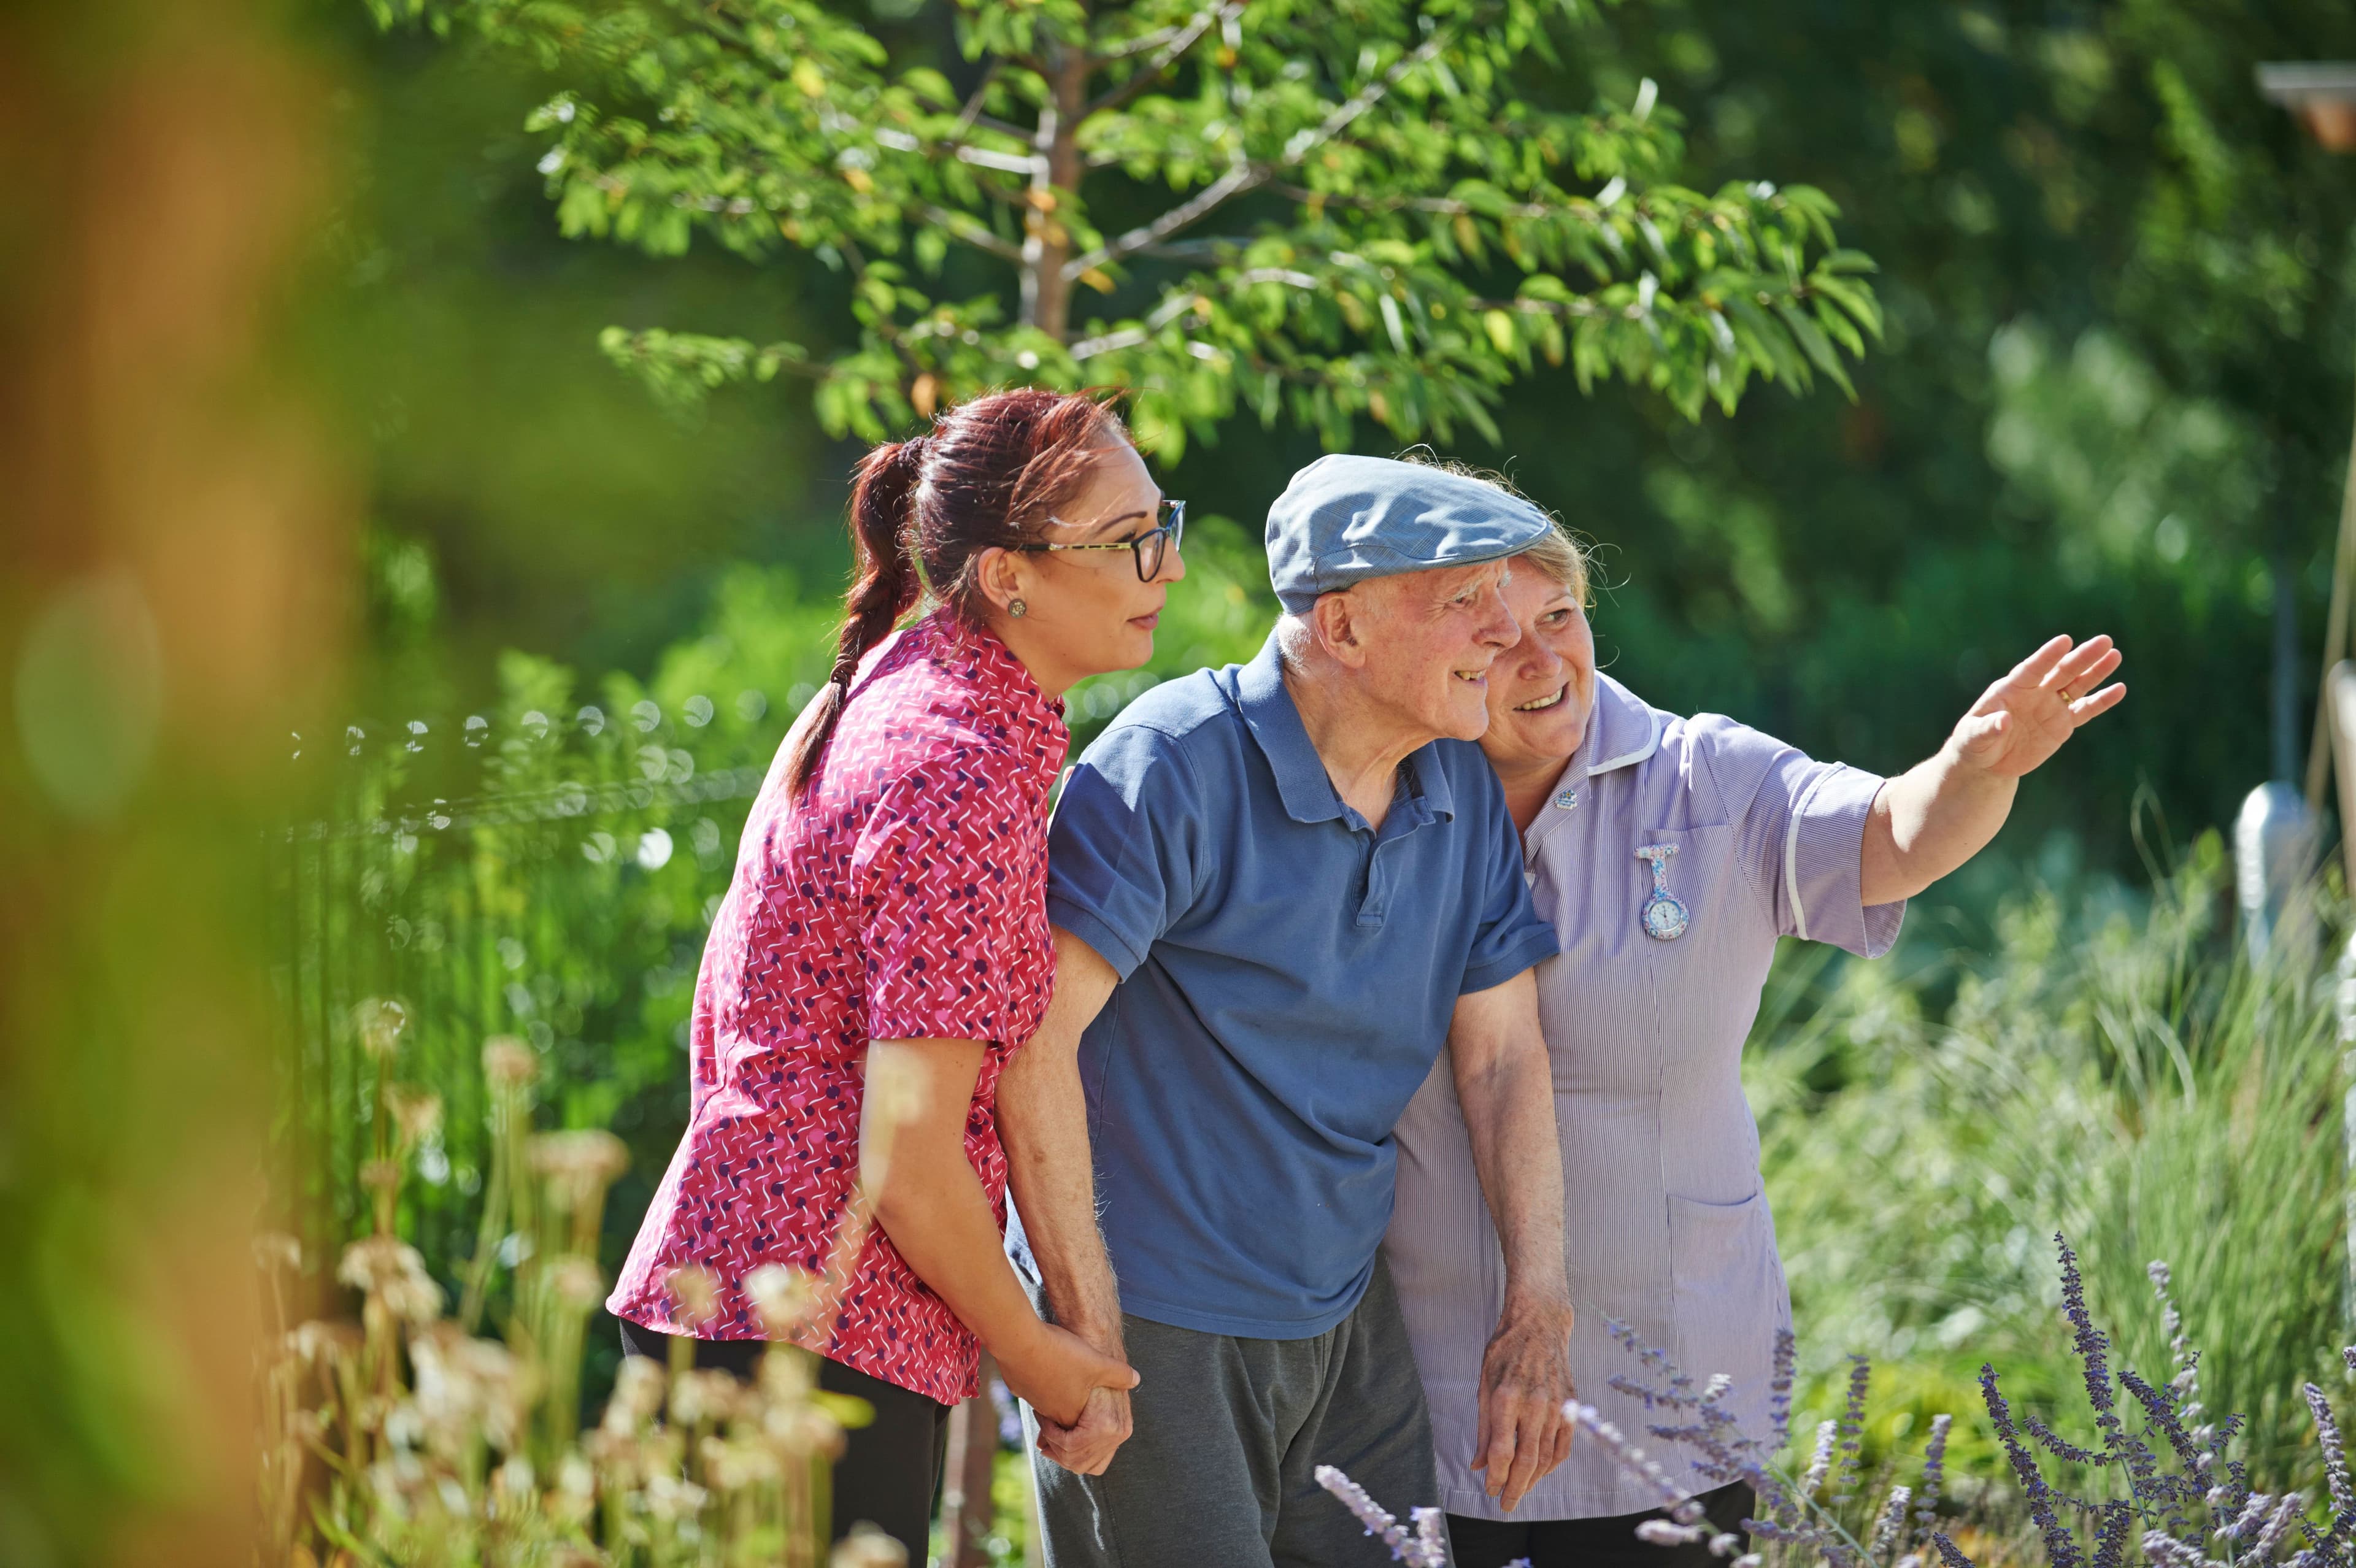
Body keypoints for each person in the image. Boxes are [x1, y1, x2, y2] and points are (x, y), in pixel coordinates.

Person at [1382, 477, 2127, 1568]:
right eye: (1496, 641)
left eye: (1560, 619)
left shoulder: (1706, 777)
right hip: (1438, 1379)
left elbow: (1889, 835)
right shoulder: (1379, 793)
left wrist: (1971, 770)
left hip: (1676, 1375)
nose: (1542, 661)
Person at [606, 389, 1184, 1556]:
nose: (1166, 568)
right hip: (807, 1345)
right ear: (1008, 575)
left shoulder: (897, 681)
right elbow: (908, 1158)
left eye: (1163, 523)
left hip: (746, 1307)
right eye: (1131, 541)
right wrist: (1044, 1365)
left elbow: (726, 1012)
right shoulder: (956, 767)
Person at [998, 455, 1584, 1568]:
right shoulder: (1172, 765)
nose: (1503, 636)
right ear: (1345, 627)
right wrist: (1080, 1323)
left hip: (1345, 1314)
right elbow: (1032, 1043)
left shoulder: (1454, 782)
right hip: (1159, 1322)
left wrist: (1538, 1309)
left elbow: (1504, 1057)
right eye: (1465, 602)